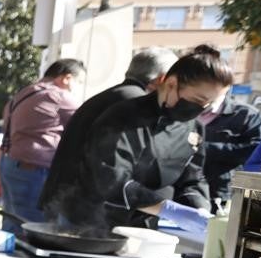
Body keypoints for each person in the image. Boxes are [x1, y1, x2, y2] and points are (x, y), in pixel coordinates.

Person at [75, 45, 233, 229]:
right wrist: (169, 209)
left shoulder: (194, 128)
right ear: (171, 83)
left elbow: (193, 177)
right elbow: (110, 178)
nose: (203, 108)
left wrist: (199, 208)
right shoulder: (123, 115)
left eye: (210, 103)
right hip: (94, 220)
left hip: (146, 226)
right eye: (198, 100)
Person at [39, 47, 177, 210]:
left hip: (67, 195)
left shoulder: (114, 95)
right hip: (81, 203)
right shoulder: (134, 104)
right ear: (162, 79)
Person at [0, 58, 84, 232]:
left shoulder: (24, 92)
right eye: (79, 81)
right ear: (66, 78)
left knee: (11, 220)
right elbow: (86, 119)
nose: (78, 87)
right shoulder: (58, 96)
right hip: (33, 169)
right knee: (32, 227)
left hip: (8, 162)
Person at [198, 94, 261, 212]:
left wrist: (205, 148)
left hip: (221, 193)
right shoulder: (184, 111)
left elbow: (252, 151)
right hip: (183, 189)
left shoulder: (247, 114)